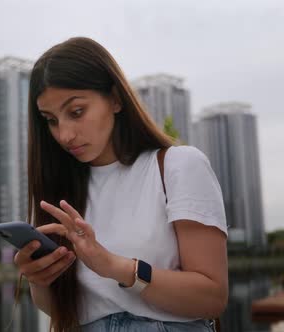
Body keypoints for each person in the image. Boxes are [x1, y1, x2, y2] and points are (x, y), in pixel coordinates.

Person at [13, 37, 228, 332]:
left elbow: (211, 298)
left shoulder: (178, 166)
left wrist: (113, 266)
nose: (64, 135)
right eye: (50, 120)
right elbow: (63, 309)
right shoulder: (60, 188)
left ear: (115, 99)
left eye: (76, 112)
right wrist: (39, 279)